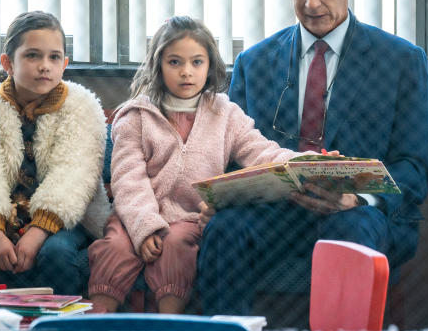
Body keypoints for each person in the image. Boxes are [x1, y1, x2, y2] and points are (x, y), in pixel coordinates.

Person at [197, 0, 428, 319]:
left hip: (359, 212)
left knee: (352, 234)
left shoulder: (402, 61)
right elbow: (232, 159)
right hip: (275, 210)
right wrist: (223, 197)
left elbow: (415, 169)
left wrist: (355, 196)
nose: (312, 2)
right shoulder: (253, 64)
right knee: (224, 232)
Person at [87, 16, 303, 314]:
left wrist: (304, 163)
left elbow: (261, 151)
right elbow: (128, 180)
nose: (186, 72)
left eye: (196, 62)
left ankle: (170, 324)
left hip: (187, 217)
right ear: (159, 65)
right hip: (134, 217)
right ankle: (96, 324)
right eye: (175, 62)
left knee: (176, 245)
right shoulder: (135, 116)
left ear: (209, 65)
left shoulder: (225, 114)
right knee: (115, 247)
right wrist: (145, 227)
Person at [0, 11, 110, 295]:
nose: (44, 66)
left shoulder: (81, 106)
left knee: (56, 254)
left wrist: (38, 231)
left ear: (65, 64)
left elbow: (74, 175)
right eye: (32, 56)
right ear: (8, 62)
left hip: (63, 220)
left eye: (54, 57)